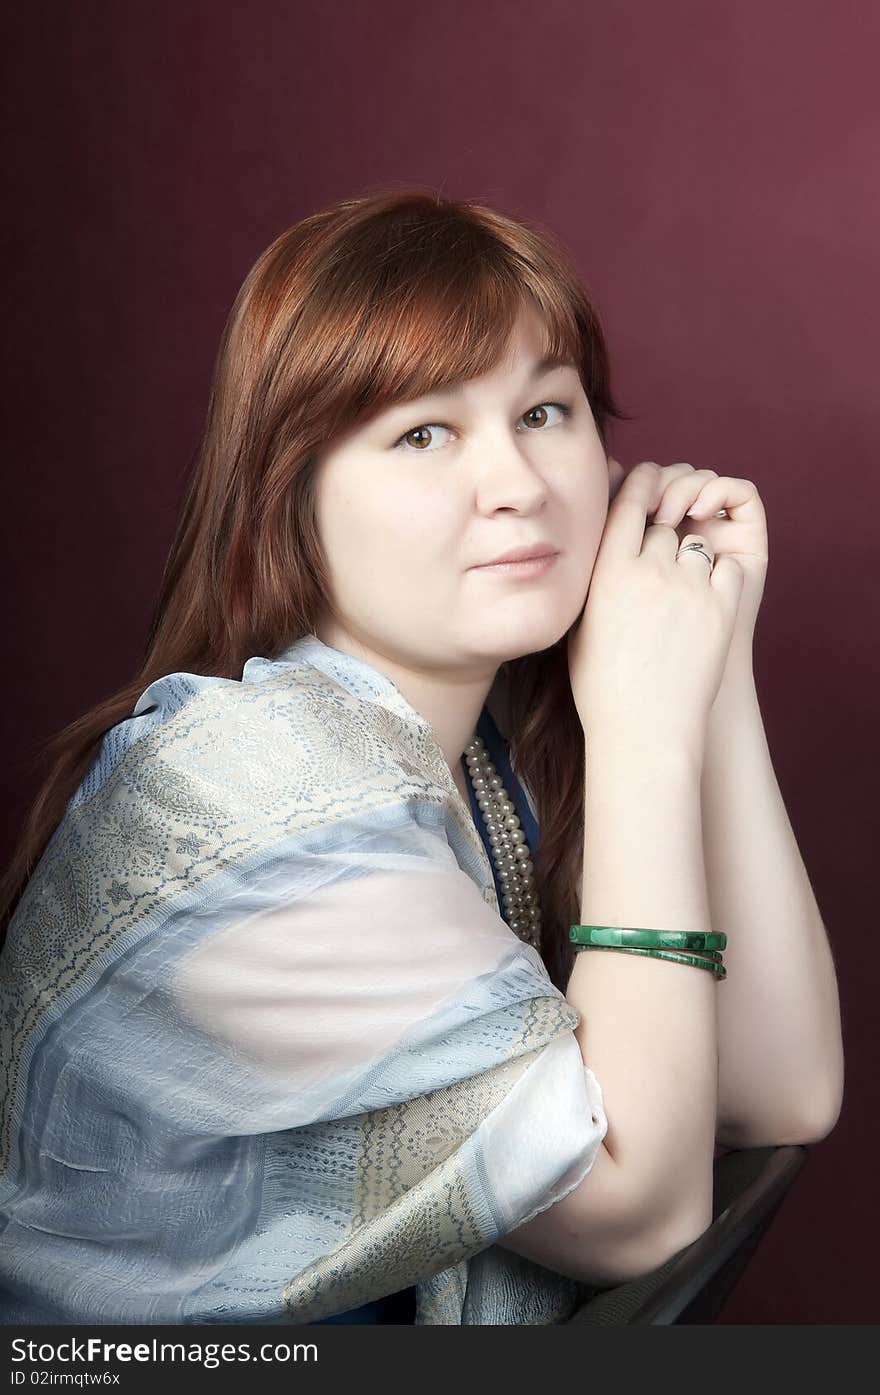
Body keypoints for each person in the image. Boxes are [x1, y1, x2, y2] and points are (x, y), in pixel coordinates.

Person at [0, 189, 817, 1326]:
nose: (518, 486)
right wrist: (641, 725)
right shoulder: (249, 789)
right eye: (423, 433)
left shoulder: (486, 743)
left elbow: (783, 1095)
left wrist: (709, 665)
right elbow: (641, 1213)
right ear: (291, 493)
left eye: (546, 411)